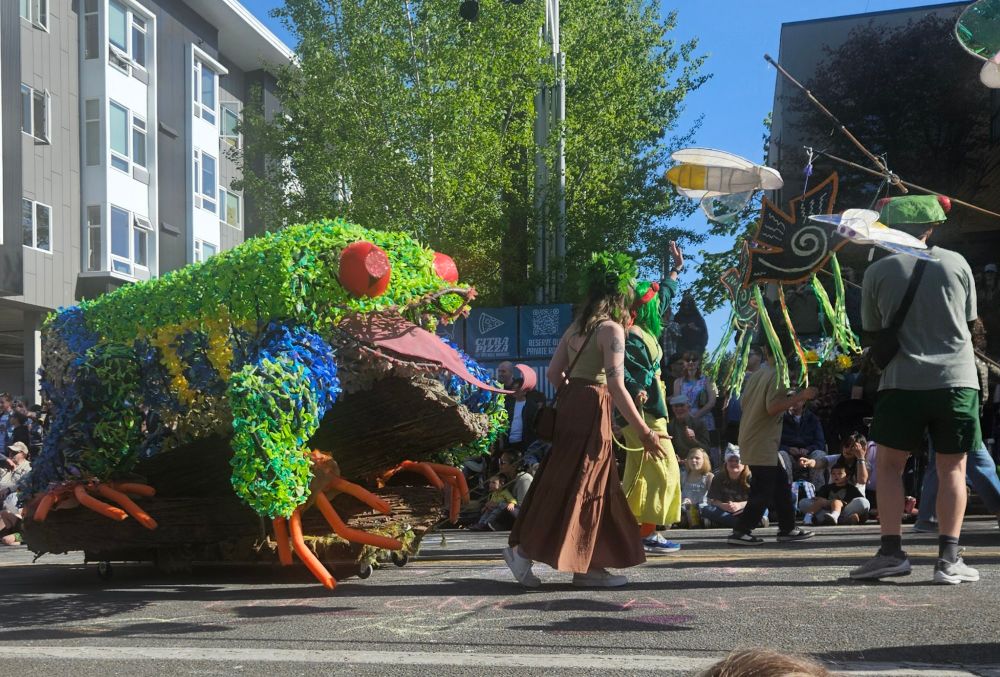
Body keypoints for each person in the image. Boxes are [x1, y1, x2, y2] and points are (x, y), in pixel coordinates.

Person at [503, 252, 667, 589]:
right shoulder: (612, 330)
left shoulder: (575, 328)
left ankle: (582, 564)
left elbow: (553, 373)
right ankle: (550, 559)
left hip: (571, 407)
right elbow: (617, 386)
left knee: (569, 482)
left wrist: (575, 396)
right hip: (593, 409)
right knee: (591, 484)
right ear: (619, 296)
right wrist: (644, 432)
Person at [851, 195, 980, 584]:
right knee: (952, 467)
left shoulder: (878, 271)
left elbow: (872, 330)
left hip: (901, 382)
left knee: (890, 466)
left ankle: (891, 552)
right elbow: (970, 323)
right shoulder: (957, 263)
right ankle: (949, 559)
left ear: (887, 229)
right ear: (932, 227)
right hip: (956, 380)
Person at [620, 241, 685, 555]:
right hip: (643, 412)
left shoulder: (644, 326)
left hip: (647, 411)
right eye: (656, 303)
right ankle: (645, 533)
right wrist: (639, 388)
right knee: (664, 469)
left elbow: (666, 294)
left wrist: (675, 269)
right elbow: (627, 372)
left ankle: (632, 531)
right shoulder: (632, 336)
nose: (662, 306)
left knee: (639, 473)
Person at [728, 327, 817, 545]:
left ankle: (787, 528)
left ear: (766, 350)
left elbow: (745, 403)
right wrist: (801, 396)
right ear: (790, 351)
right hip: (762, 440)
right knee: (763, 489)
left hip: (752, 436)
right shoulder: (778, 373)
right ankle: (741, 531)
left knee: (780, 484)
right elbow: (772, 407)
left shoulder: (759, 373)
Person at [674, 352, 719, 463]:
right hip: (686, 422)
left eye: (694, 360)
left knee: (709, 449)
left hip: (705, 420)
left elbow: (712, 402)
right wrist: (688, 417)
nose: (691, 362)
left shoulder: (707, 380)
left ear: (699, 362)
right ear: (684, 363)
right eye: (687, 360)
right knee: (691, 450)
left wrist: (696, 415)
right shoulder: (678, 382)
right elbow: (677, 403)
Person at [799, 461, 870, 525]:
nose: (836, 476)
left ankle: (830, 518)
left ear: (847, 476)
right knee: (803, 502)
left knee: (863, 502)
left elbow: (856, 503)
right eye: (833, 474)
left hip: (844, 511)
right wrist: (829, 502)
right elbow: (820, 501)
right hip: (827, 511)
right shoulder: (825, 487)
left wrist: (837, 503)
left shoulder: (852, 489)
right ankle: (841, 520)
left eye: (839, 474)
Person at [700, 445, 750, 528]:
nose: (733, 463)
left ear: (744, 464)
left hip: (745, 509)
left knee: (762, 509)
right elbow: (714, 501)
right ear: (726, 462)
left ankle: (724, 522)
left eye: (737, 460)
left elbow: (757, 500)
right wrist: (724, 506)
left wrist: (739, 505)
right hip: (725, 511)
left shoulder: (751, 478)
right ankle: (747, 523)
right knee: (706, 509)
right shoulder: (718, 477)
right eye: (730, 460)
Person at [722, 345, 763, 446]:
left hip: (752, 424)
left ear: (759, 357)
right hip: (733, 423)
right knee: (731, 452)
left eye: (748, 355)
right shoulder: (737, 374)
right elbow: (727, 396)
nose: (745, 358)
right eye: (743, 355)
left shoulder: (764, 376)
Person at [502, 364, 541, 453]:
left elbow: (535, 427)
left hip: (525, 444)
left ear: (524, 391)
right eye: (513, 389)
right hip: (509, 443)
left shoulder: (532, 406)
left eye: (517, 389)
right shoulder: (508, 405)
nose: (515, 392)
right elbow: (503, 424)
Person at [667, 394, 712, 463]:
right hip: (679, 464)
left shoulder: (699, 424)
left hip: (698, 462)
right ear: (672, 408)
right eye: (676, 406)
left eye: (682, 405)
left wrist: (694, 440)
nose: (679, 409)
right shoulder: (670, 426)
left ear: (688, 407)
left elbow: (707, 450)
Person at [679, 447, 713, 528]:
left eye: (697, 458)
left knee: (702, 511)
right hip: (684, 508)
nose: (693, 460)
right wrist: (682, 500)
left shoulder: (708, 477)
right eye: (691, 458)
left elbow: (712, 499)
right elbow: (676, 494)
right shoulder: (683, 476)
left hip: (702, 509)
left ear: (704, 460)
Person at [674, 292, 709, 356]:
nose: (686, 307)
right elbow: (672, 330)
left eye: (688, 305)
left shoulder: (697, 317)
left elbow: (704, 333)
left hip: (695, 348)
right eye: (685, 305)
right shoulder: (678, 316)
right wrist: (680, 327)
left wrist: (695, 328)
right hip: (681, 347)